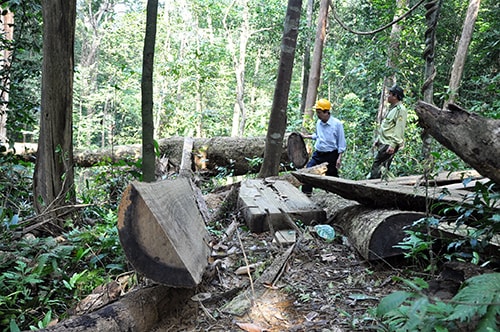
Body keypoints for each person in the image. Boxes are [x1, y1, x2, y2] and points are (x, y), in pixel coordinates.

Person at [301, 98, 346, 195]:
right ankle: (306, 193)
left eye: (319, 112)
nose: (318, 115)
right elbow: (317, 135)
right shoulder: (319, 123)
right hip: (318, 154)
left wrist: (339, 158)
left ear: (326, 112)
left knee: (332, 176)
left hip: (331, 155)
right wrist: (306, 136)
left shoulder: (337, 124)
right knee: (308, 171)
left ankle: (338, 194)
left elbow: (341, 142)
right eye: (317, 112)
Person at [368, 85, 407, 179]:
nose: (388, 96)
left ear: (395, 96)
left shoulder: (401, 110)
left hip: (388, 143)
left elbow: (399, 128)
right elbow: (387, 127)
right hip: (384, 142)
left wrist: (393, 145)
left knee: (377, 165)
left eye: (390, 94)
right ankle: (384, 184)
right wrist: (378, 140)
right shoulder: (392, 109)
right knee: (383, 167)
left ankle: (374, 186)